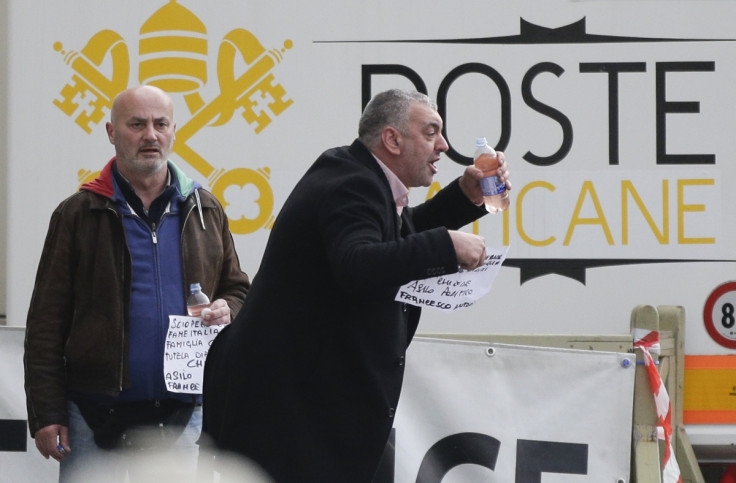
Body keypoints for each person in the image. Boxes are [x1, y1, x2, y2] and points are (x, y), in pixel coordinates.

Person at [201, 88, 511, 482]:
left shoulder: (358, 176)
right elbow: (357, 262)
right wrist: (445, 246)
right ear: (392, 139)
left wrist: (464, 199)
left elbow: (397, 236)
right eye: (431, 132)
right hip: (288, 419)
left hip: (304, 412)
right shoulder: (352, 183)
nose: (444, 147)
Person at [23, 85, 250, 482]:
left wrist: (228, 307)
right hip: (90, 418)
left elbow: (238, 290)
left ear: (174, 130)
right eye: (137, 124)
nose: (150, 135)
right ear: (112, 133)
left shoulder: (204, 209)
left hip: (182, 416)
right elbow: (45, 325)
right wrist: (47, 413)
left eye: (160, 124)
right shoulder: (77, 214)